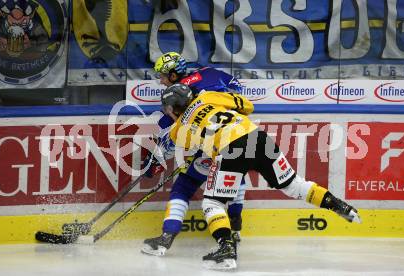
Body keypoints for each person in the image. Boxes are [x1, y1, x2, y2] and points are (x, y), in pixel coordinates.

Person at [158, 83, 361, 270]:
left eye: (168, 109)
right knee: (294, 185)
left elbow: (184, 147)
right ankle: (339, 205)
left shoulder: (178, 130)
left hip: (230, 149)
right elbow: (247, 106)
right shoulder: (208, 97)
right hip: (258, 138)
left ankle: (226, 250)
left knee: (213, 203)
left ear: (173, 108)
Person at [141, 52, 246, 256]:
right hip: (237, 139)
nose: (161, 81)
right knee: (237, 175)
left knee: (183, 187)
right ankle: (235, 227)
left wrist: (153, 162)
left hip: (210, 148)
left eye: (163, 76)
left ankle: (166, 238)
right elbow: (237, 87)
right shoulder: (209, 72)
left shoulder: (176, 98)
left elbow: (168, 134)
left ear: (173, 76)